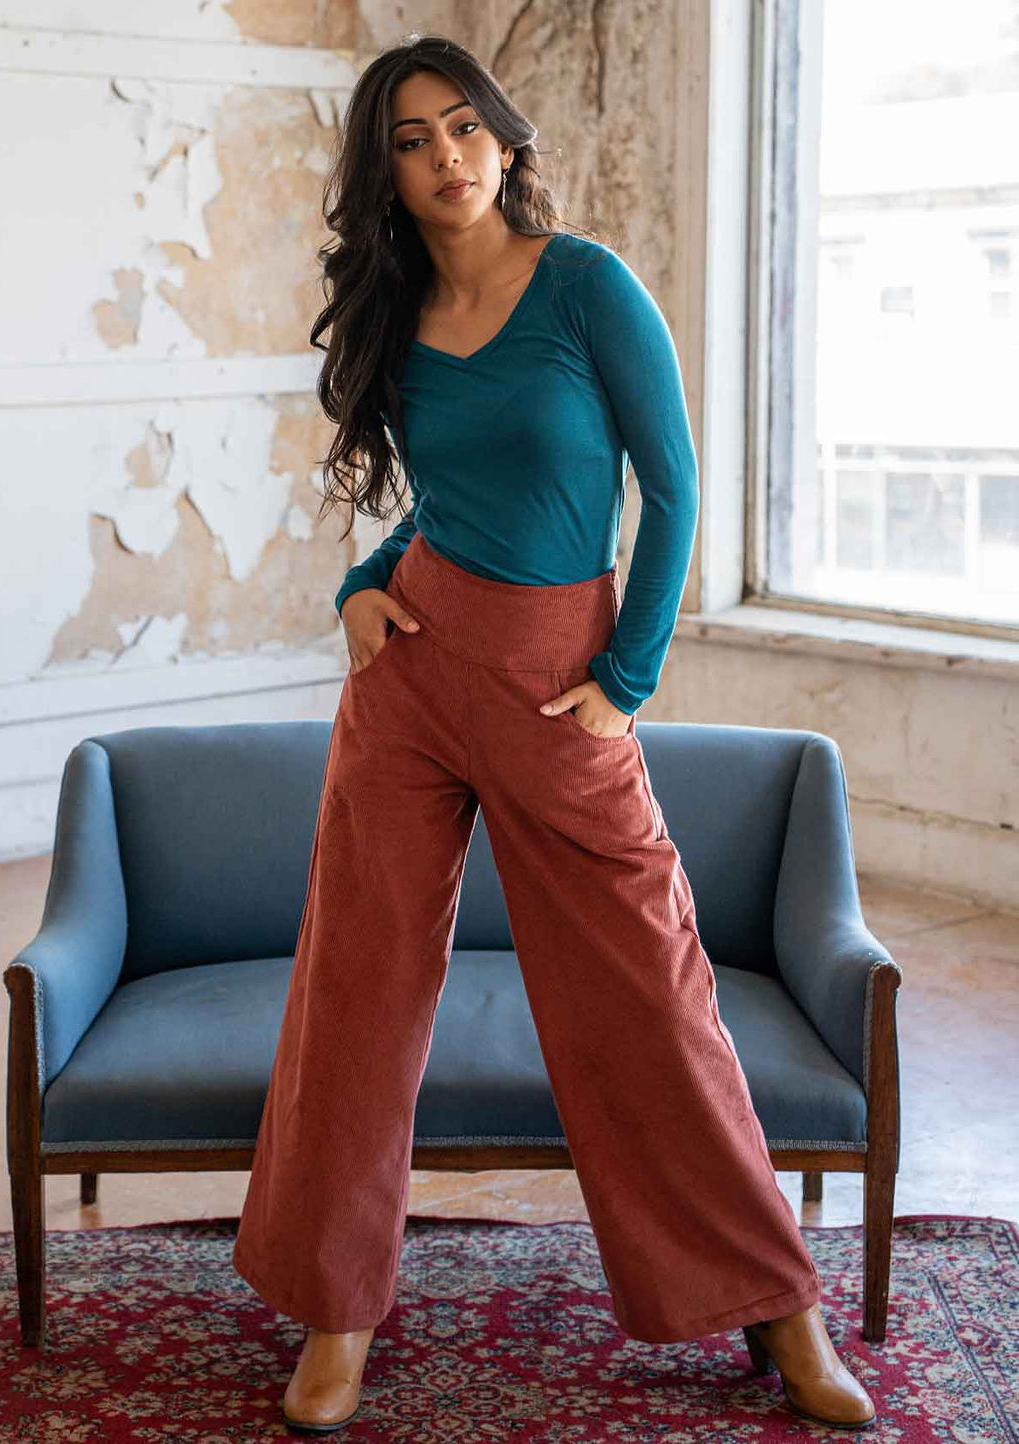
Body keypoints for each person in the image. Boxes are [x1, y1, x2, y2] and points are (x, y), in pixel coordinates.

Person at [231, 33, 877, 1435]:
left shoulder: (586, 287)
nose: (446, 156)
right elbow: (442, 510)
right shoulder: (402, 318)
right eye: (412, 140)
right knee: (356, 988)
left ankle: (781, 1305)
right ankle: (337, 1312)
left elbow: (672, 486)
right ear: (385, 174)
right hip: (410, 678)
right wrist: (361, 587)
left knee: (648, 991)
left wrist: (627, 676)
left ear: (507, 142)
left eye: (465, 128)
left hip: (553, 686)